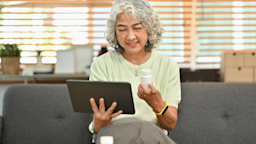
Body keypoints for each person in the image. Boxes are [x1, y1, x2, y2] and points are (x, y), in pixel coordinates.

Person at [89, 0, 181, 143]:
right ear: (114, 31)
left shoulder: (168, 66)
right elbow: (99, 129)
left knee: (147, 130)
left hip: (152, 137)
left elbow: (169, 125)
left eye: (137, 28)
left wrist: (157, 105)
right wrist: (99, 121)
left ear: (150, 28)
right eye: (122, 29)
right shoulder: (102, 64)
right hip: (115, 137)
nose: (130, 36)